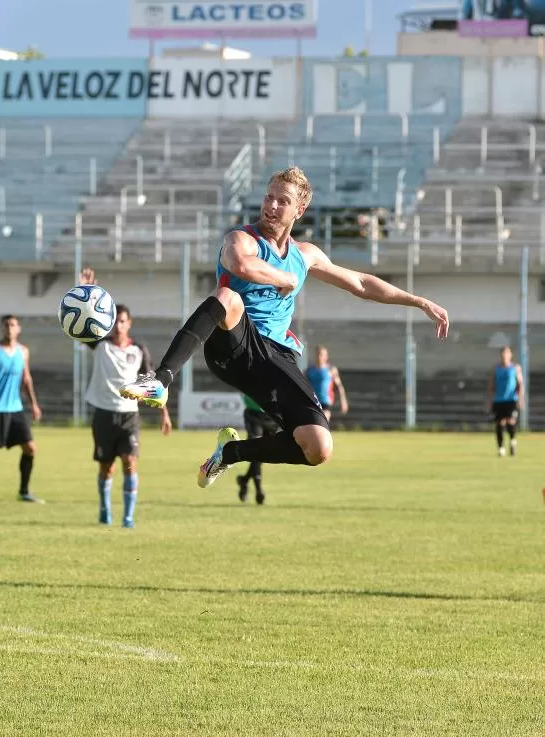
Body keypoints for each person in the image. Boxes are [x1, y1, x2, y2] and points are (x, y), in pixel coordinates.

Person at [119, 166, 450, 487]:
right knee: (228, 296)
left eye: (282, 200)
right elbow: (240, 265)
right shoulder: (242, 239)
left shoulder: (305, 254)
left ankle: (231, 453)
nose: (271, 206)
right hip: (233, 342)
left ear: (300, 210)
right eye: (268, 197)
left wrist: (420, 301)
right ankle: (159, 382)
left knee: (318, 446)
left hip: (276, 357)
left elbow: (361, 283)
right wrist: (284, 278)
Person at [80, 268, 172, 528]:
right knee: (106, 468)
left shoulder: (138, 350)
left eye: (123, 321)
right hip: (103, 414)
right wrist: (89, 294)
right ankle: (104, 508)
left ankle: (128, 516)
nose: (119, 325)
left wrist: (164, 413)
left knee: (130, 463)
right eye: (115, 321)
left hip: (129, 415)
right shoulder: (100, 345)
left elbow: (151, 384)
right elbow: (83, 326)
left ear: (129, 323)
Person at [0, 315, 43, 505]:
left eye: (13, 325)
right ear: (1, 329)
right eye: (6, 325)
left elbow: (26, 379)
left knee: (30, 449)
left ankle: (24, 491)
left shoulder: (23, 352)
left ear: (18, 329)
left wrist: (34, 404)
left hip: (16, 409)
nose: (9, 328)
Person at [236, 393, 280, 505]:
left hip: (272, 416)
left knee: (264, 452)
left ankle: (244, 480)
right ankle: (258, 490)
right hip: (254, 414)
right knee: (256, 450)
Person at [487, 345, 523, 457]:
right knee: (499, 423)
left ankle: (512, 441)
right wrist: (489, 400)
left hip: (511, 399)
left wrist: (520, 398)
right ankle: (501, 448)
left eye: (506, 353)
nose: (504, 355)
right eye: (502, 353)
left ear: (510, 355)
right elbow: (491, 385)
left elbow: (520, 384)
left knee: (510, 421)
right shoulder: (496, 369)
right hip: (499, 400)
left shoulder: (515, 368)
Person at [304, 345, 348, 424]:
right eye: (317, 354)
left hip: (326, 401)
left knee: (322, 422)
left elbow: (339, 386)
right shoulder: (309, 370)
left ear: (326, 356)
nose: (319, 356)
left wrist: (343, 401)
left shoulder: (331, 370)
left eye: (321, 354)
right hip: (313, 400)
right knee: (314, 423)